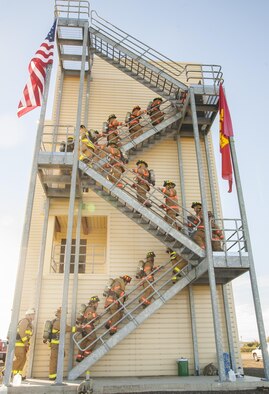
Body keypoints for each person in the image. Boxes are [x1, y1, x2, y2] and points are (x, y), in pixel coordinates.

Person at [48, 307, 73, 380]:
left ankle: (56, 374)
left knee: (61, 356)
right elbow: (67, 328)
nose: (65, 315)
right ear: (59, 313)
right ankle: (52, 376)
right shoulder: (58, 322)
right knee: (54, 359)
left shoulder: (59, 321)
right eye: (64, 313)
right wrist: (78, 329)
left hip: (58, 344)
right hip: (55, 345)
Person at [12, 308, 35, 378]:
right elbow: (21, 331)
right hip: (19, 343)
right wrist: (25, 342)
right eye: (33, 315)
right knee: (20, 358)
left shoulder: (29, 323)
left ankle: (18, 375)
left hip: (23, 344)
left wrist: (26, 343)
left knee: (23, 359)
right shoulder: (25, 321)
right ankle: (7, 371)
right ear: (29, 315)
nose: (34, 316)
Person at [76, 296, 100, 363]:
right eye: (97, 303)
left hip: (84, 326)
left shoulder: (88, 308)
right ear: (93, 303)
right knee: (93, 339)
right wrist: (96, 315)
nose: (97, 304)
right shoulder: (90, 309)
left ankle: (80, 357)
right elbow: (89, 317)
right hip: (88, 327)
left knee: (85, 340)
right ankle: (86, 353)